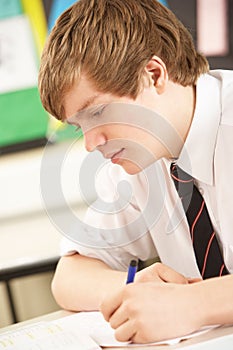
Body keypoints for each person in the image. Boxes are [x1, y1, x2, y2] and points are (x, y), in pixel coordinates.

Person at [38, 0, 233, 344]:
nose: (90, 144)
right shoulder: (140, 160)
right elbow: (68, 276)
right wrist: (137, 290)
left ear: (154, 75)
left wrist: (193, 304)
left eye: (97, 113)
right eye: (78, 126)